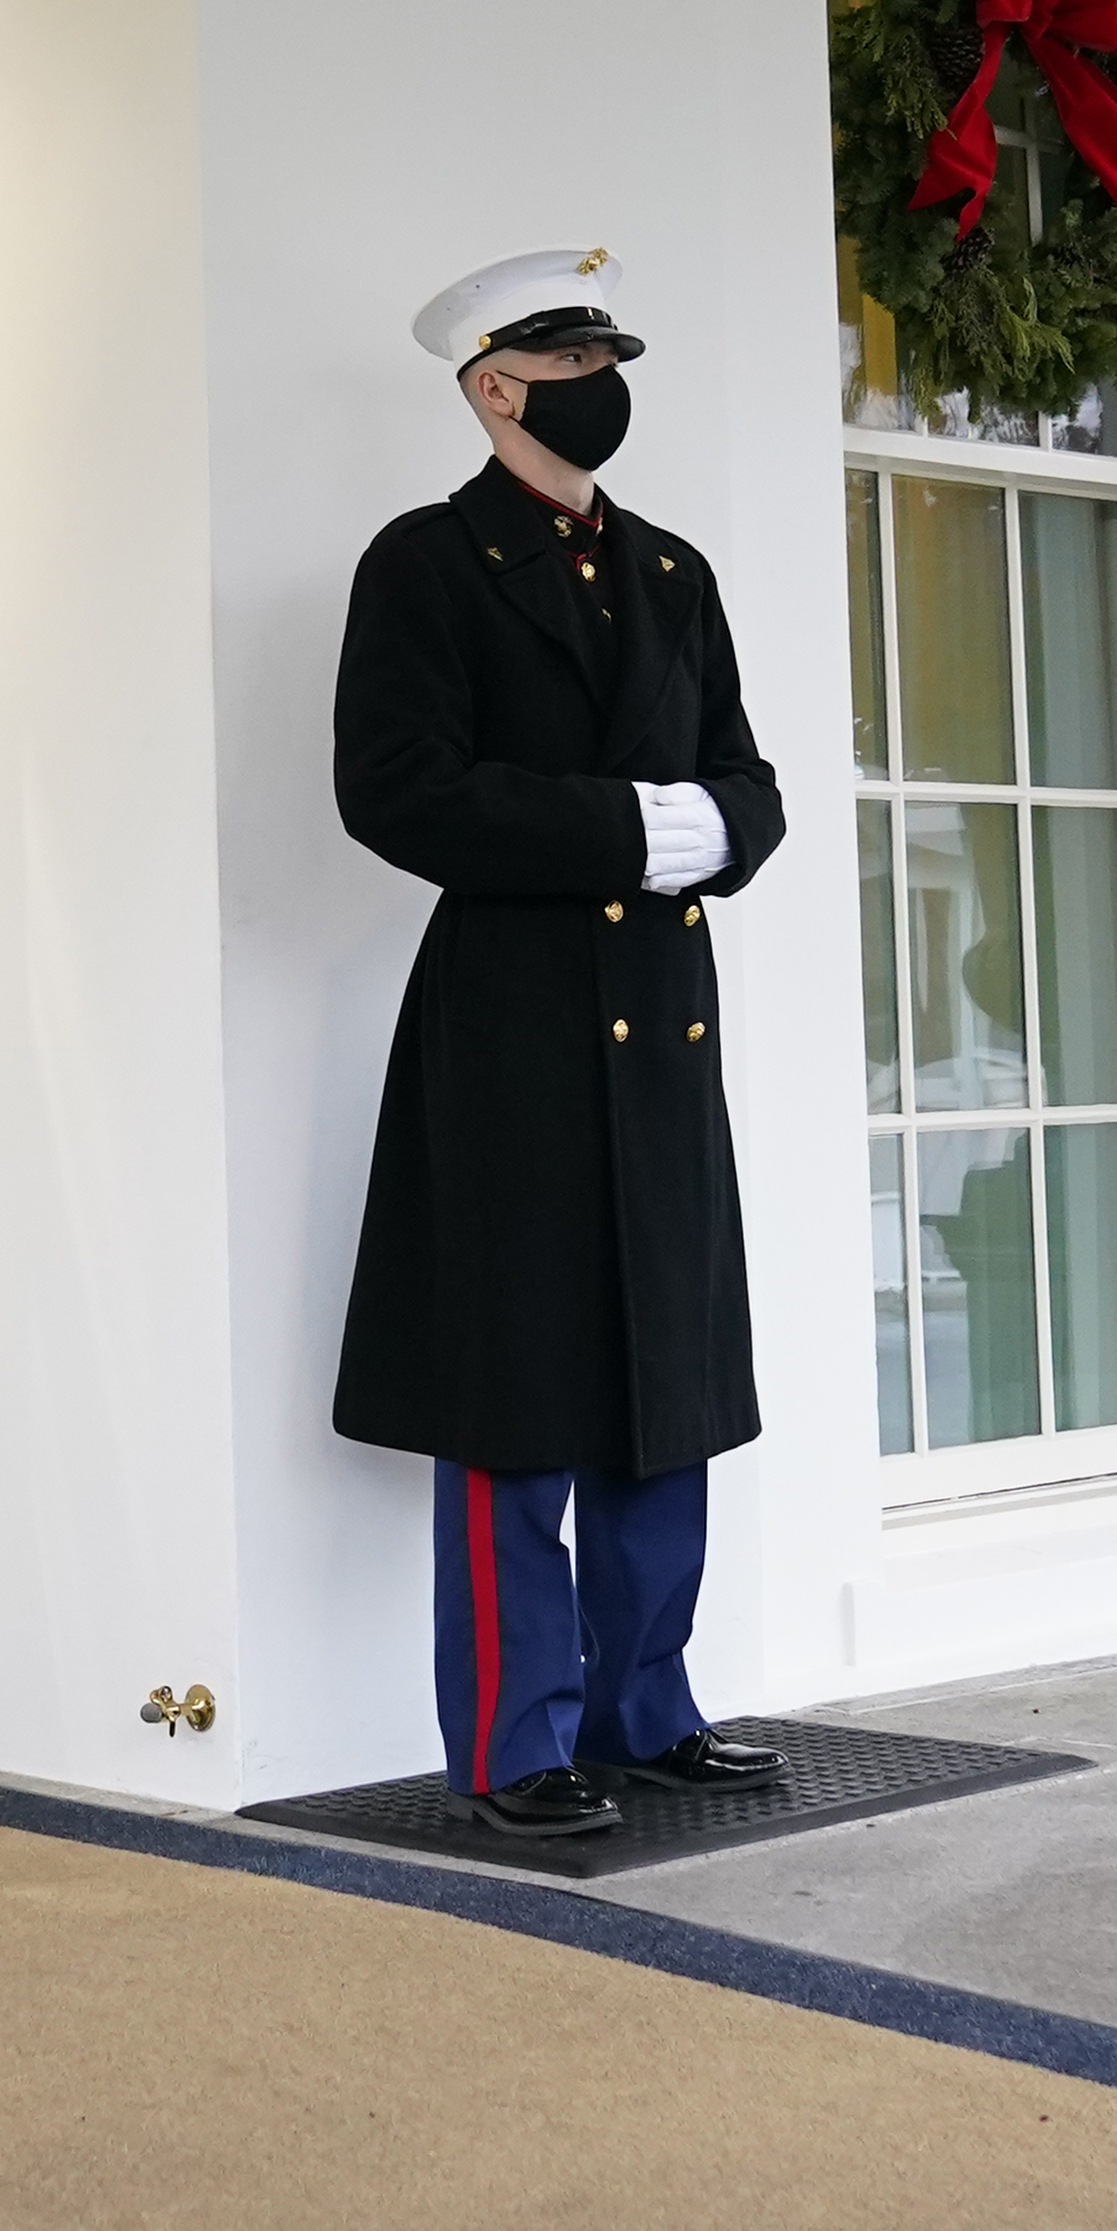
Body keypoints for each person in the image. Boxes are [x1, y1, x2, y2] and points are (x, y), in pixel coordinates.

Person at [329, 249, 790, 1836]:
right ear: (492, 384)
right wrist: (626, 829)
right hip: (512, 1033)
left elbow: (751, 788)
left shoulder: (671, 572)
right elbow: (394, 792)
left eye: (609, 348)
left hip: (658, 1032)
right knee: (514, 1402)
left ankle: (645, 1707)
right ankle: (515, 1745)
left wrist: (707, 831)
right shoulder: (427, 564)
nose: (602, 374)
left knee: (662, 1386)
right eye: (569, 351)